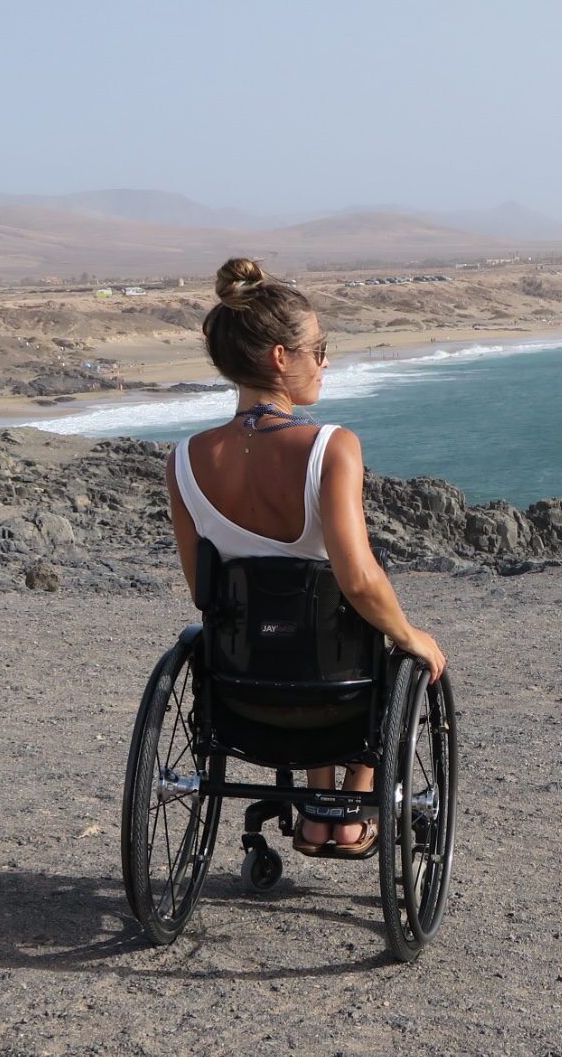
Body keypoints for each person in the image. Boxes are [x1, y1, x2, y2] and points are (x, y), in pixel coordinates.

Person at [163, 257, 446, 857]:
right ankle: (346, 813)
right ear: (278, 358)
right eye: (319, 349)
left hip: (243, 694)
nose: (325, 361)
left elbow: (204, 593)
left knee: (300, 615)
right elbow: (361, 579)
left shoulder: (184, 460)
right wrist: (411, 635)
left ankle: (318, 813)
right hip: (338, 696)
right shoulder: (330, 448)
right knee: (375, 631)